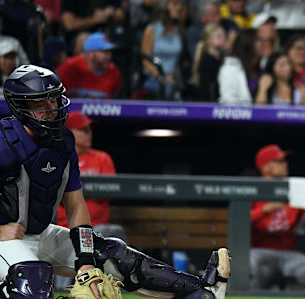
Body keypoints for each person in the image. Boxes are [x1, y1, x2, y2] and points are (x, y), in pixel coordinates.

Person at [0, 65, 229, 298]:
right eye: (41, 103)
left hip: (41, 233)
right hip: (3, 242)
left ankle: (202, 292)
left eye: (53, 100)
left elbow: (76, 206)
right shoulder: (3, 143)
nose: (51, 109)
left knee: (114, 254)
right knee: (31, 279)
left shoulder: (63, 143)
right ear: (20, 107)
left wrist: (86, 261)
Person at [250, 144, 305, 289]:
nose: (284, 165)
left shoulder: (294, 189)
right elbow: (240, 222)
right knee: (249, 272)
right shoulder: (252, 189)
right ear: (265, 167)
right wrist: (265, 209)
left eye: (284, 161)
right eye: (279, 161)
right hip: (258, 251)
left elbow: (304, 230)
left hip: (287, 253)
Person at [55, 112, 126, 241]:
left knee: (115, 233)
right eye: (83, 130)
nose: (89, 133)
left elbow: (111, 191)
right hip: (62, 228)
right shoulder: (58, 158)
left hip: (97, 228)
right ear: (70, 132)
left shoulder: (102, 158)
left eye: (89, 129)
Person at [57, 32, 122, 99]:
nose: (109, 56)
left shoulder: (113, 72)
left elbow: (114, 100)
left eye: (109, 52)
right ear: (90, 53)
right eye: (104, 52)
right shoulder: (69, 68)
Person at [218, 30, 254, 104]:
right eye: (258, 40)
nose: (264, 43)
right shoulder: (229, 69)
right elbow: (228, 103)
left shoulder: (262, 64)